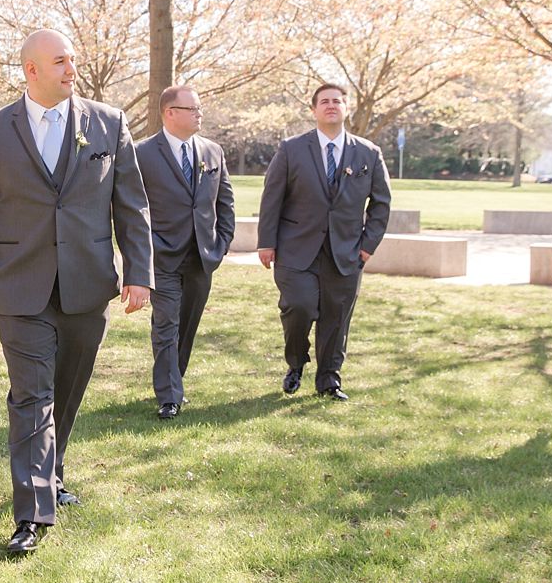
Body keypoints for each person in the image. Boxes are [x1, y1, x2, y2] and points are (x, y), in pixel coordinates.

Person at [0, 28, 153, 554]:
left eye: (73, 61)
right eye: (61, 62)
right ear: (32, 70)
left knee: (66, 392)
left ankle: (53, 470)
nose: (71, 70)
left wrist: (140, 272)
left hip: (87, 284)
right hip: (19, 285)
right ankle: (32, 512)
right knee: (31, 397)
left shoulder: (108, 122)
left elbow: (131, 205)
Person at [256, 83, 391, 401]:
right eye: (324, 101)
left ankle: (329, 379)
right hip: (295, 250)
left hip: (346, 253)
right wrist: (266, 242)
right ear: (314, 110)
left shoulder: (368, 154)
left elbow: (381, 203)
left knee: (336, 317)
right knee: (299, 308)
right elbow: (272, 197)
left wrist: (367, 246)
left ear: (347, 108)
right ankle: (296, 363)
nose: (331, 105)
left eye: (338, 101)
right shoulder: (291, 149)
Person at [134, 85, 235, 420]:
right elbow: (132, 208)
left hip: (202, 257)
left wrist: (221, 244)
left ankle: (173, 380)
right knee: (166, 324)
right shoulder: (142, 154)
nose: (199, 114)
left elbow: (225, 202)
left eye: (199, 108)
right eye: (192, 109)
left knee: (187, 325)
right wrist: (145, 250)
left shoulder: (213, 152)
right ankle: (169, 396)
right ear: (170, 113)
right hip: (162, 257)